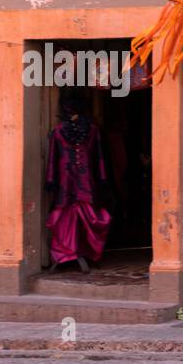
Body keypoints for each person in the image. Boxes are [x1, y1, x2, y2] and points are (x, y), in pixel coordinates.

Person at [46, 94, 112, 272]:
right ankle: (72, 252)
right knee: (77, 213)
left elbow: (53, 158)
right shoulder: (89, 130)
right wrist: (102, 178)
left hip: (69, 181)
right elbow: (98, 158)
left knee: (73, 214)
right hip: (83, 181)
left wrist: (51, 180)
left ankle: (74, 252)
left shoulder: (61, 130)